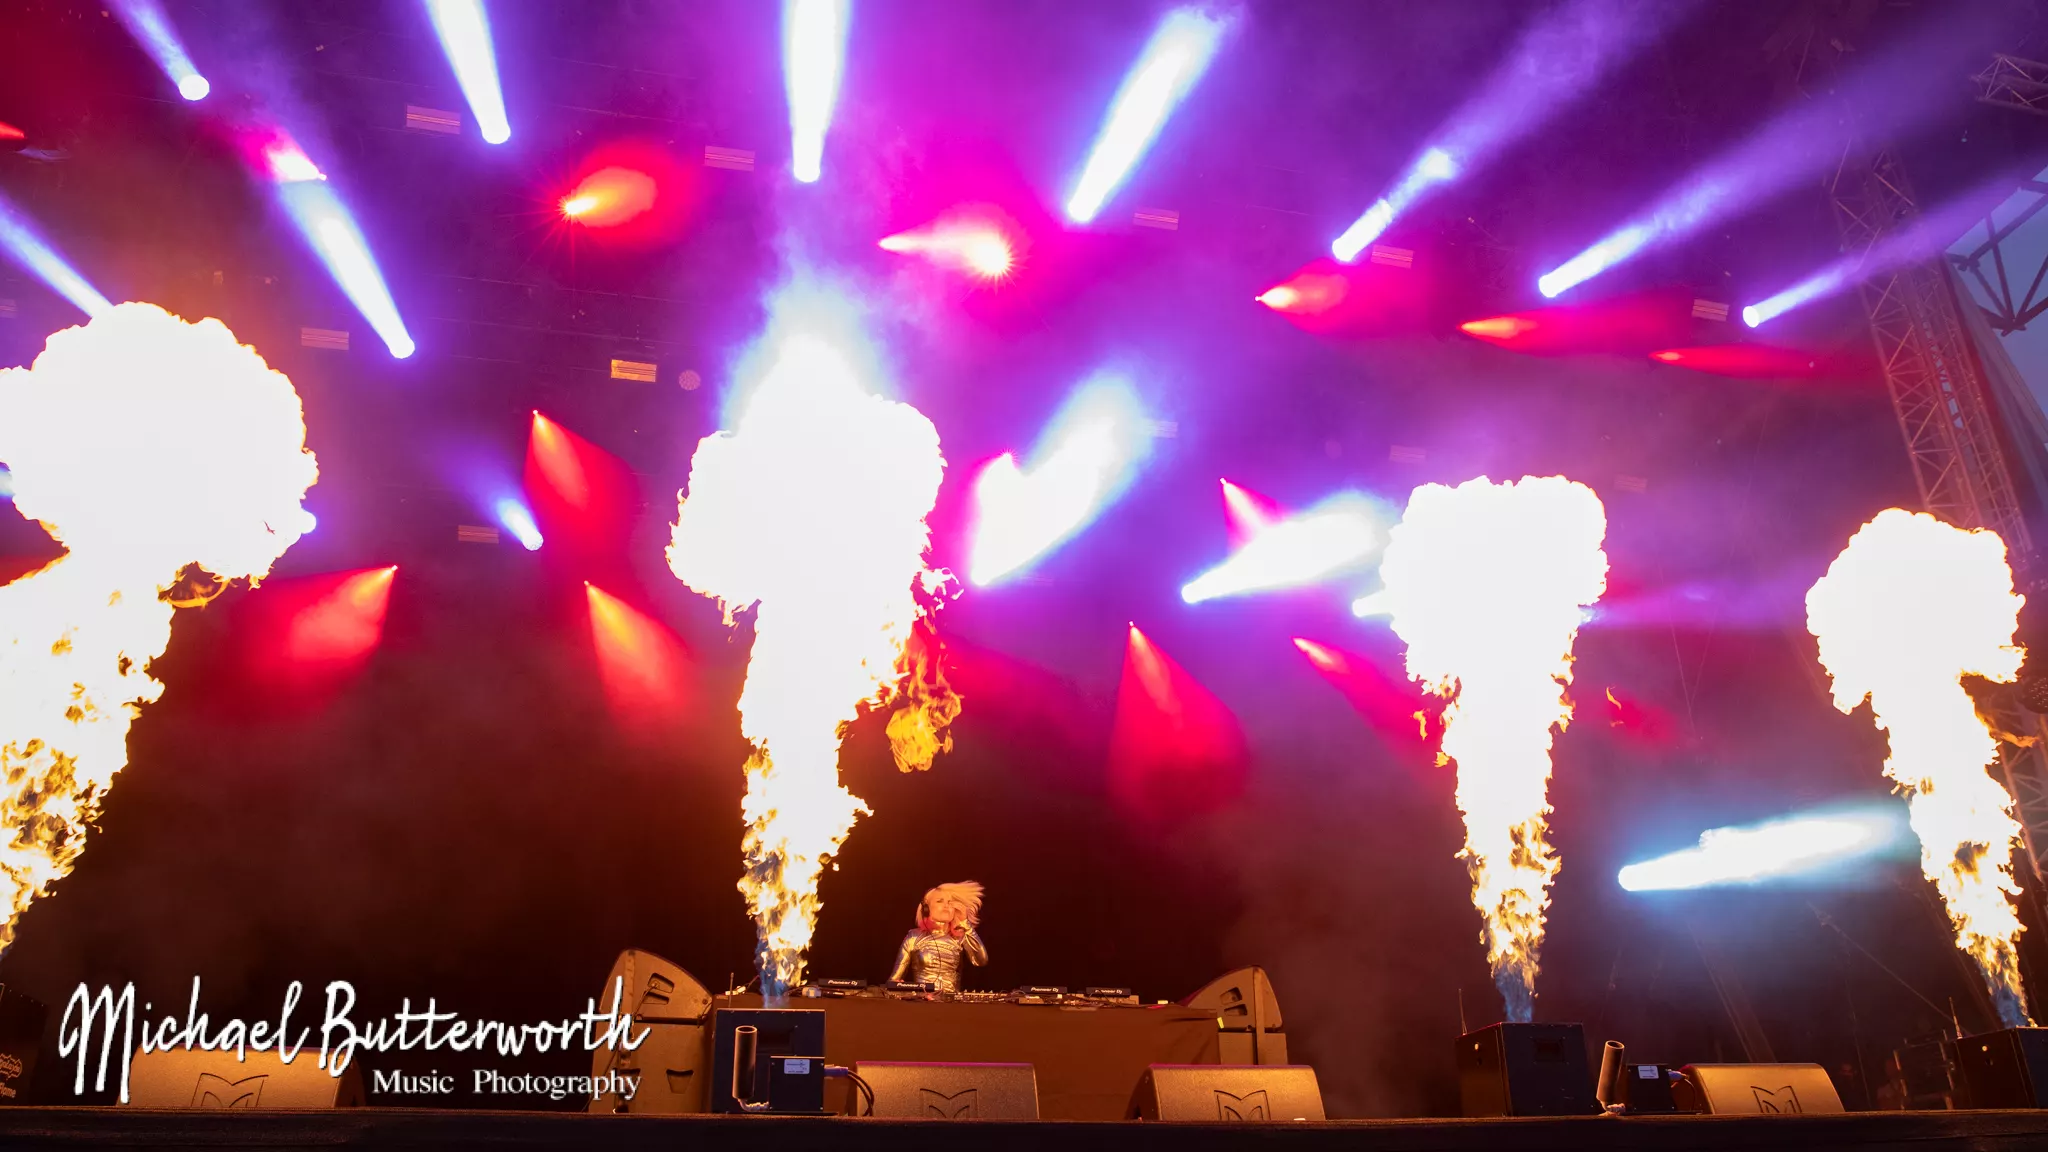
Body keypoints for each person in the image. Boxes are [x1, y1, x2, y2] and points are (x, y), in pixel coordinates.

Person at [887, 880, 987, 993]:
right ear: (926, 908)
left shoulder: (959, 936)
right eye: (940, 901)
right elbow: (894, 981)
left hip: (952, 1001)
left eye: (950, 902)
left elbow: (981, 961)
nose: (946, 906)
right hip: (922, 1001)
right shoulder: (914, 936)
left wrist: (965, 923)